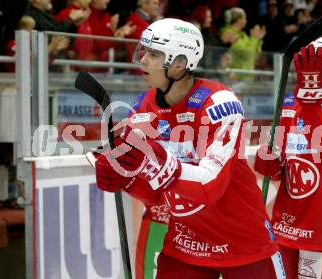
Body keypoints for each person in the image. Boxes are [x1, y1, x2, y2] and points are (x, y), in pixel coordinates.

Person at [90, 18, 285, 278]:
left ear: (180, 63)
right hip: (186, 243)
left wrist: (154, 162)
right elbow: (154, 194)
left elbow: (209, 185)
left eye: (154, 54)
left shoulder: (219, 101)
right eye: (143, 51)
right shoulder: (142, 109)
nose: (143, 61)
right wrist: (123, 177)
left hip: (244, 242)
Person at [254, 37, 322, 279]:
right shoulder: (291, 102)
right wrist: (270, 161)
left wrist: (312, 97)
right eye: (307, 65)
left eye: (320, 64)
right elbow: (283, 156)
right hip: (286, 223)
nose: (309, 72)